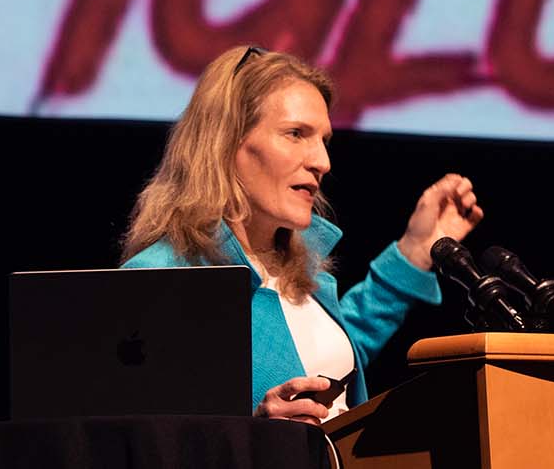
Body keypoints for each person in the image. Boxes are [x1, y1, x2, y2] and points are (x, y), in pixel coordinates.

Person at [120, 44, 483, 423]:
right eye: (295, 134)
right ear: (225, 142)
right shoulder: (157, 279)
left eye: (324, 140)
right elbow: (141, 439)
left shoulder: (301, 273)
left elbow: (323, 363)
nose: (322, 162)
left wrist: (414, 252)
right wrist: (254, 433)